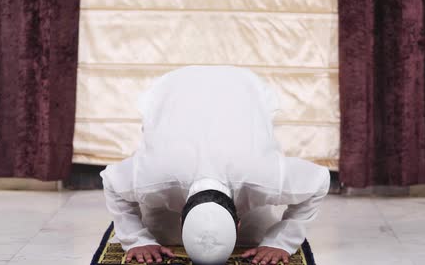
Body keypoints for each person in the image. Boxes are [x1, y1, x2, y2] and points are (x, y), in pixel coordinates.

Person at [100, 65, 330, 265]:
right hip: (172, 89)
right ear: (238, 224)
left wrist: (282, 242)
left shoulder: (264, 177)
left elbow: (320, 181)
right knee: (158, 225)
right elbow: (111, 180)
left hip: (244, 88)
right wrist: (136, 240)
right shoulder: (154, 177)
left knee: (258, 227)